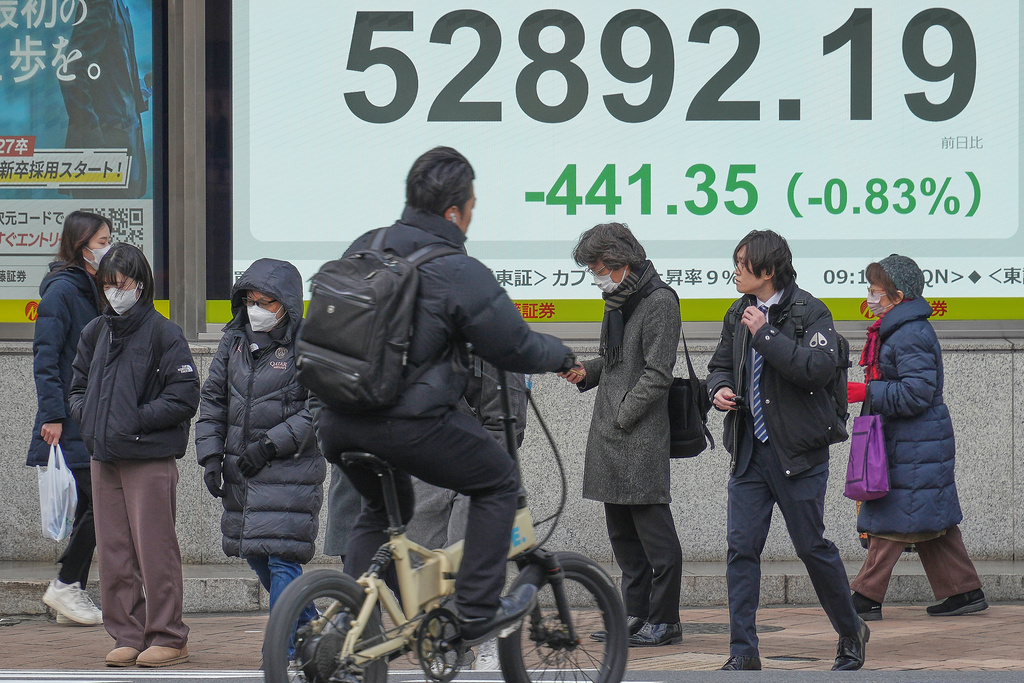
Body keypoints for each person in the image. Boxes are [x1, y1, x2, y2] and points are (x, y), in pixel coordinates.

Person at [314, 146, 576, 643]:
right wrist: (564, 357)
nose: (472, 217)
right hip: (407, 423)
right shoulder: (456, 267)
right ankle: (474, 611)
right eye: (472, 206)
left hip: (338, 420)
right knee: (497, 482)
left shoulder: (365, 246)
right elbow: (513, 344)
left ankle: (357, 623)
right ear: (455, 211)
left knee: (384, 507)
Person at [707, 229, 868, 671]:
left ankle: (851, 631)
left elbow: (816, 370)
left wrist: (766, 335)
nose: (735, 272)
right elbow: (720, 363)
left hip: (798, 454)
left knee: (811, 546)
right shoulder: (738, 311)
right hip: (749, 451)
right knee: (741, 549)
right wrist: (718, 389)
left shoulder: (810, 311)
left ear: (768, 269)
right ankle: (743, 650)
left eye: (742, 264)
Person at [69, 244, 199, 668]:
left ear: (141, 285)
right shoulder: (95, 332)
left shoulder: (165, 333)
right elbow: (76, 390)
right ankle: (127, 633)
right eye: (107, 285)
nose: (114, 293)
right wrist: (90, 419)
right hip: (104, 457)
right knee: (114, 552)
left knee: (155, 549)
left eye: (121, 284)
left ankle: (169, 636)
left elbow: (183, 397)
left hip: (148, 458)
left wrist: (133, 420)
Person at [558, 222, 684, 648]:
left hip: (638, 434)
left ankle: (665, 620)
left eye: (598, 267)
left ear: (620, 262)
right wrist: (584, 372)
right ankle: (636, 613)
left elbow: (657, 372)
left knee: (656, 538)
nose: (595, 275)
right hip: (612, 435)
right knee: (624, 538)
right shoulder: (617, 300)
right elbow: (617, 363)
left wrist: (623, 414)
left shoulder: (659, 300)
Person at [195, 259, 327, 660]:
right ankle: (314, 627)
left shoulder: (307, 344)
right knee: (256, 556)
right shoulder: (233, 340)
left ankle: (283, 653)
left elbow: (318, 408)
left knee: (282, 558)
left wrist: (271, 445)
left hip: (291, 470)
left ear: (286, 304)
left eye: (266, 302)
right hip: (242, 471)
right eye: (251, 300)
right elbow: (214, 399)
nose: (257, 309)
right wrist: (210, 456)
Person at [847, 255, 987, 621]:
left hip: (914, 440)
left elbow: (916, 393)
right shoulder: (900, 329)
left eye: (875, 291)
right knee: (931, 517)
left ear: (897, 294)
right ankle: (965, 592)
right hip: (913, 439)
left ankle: (865, 595)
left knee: (892, 516)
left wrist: (867, 392)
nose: (870, 297)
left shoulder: (909, 333)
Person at [405, 358, 529, 670]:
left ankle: (484, 635)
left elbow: (505, 425)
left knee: (468, 547)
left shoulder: (493, 341)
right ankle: (445, 643)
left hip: (481, 461)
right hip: (430, 457)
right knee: (420, 551)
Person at [29, 211, 109, 626]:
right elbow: (45, 359)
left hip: (88, 415)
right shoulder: (62, 292)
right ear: (81, 245)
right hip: (69, 419)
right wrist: (54, 416)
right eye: (102, 240)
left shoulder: (91, 289)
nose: (107, 247)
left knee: (91, 506)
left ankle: (69, 591)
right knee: (100, 503)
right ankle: (65, 585)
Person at [60, 0, 149, 198]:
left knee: (116, 224)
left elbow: (115, 80)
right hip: (107, 149)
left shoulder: (117, 6)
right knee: (100, 225)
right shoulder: (102, 3)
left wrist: (144, 86)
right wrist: (93, 135)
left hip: (123, 142)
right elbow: (71, 71)